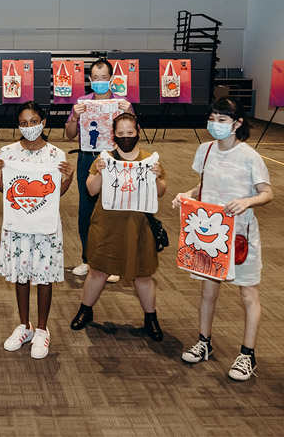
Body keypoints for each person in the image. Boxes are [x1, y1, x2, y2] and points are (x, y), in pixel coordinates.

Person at [174, 97, 273, 381]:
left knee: (248, 294)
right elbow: (203, 185)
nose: (215, 125)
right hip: (210, 236)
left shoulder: (249, 156)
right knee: (208, 291)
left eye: (222, 120)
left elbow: (268, 193)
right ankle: (204, 341)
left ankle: (247, 354)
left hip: (240, 236)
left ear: (237, 124)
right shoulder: (205, 150)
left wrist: (247, 201)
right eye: (213, 118)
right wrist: (188, 195)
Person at [69, 113, 166, 341]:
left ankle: (150, 317)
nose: (125, 138)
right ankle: (86, 310)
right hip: (107, 225)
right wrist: (101, 171)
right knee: (98, 270)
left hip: (138, 226)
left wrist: (158, 177)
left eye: (129, 133)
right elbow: (91, 190)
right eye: (120, 134)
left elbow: (160, 192)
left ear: (138, 132)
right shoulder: (104, 159)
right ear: (113, 135)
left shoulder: (150, 160)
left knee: (143, 274)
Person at [0, 102, 74, 359]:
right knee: (22, 275)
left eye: (34, 121)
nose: (29, 127)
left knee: (44, 276)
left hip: (45, 226)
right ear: (18, 126)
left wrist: (68, 178)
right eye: (23, 123)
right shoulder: (8, 153)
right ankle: (24, 325)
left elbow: (56, 194)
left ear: (44, 122)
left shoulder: (56, 155)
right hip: (18, 225)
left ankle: (42, 329)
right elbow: (8, 190)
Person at [64, 59, 133, 283]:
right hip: (87, 159)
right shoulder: (82, 102)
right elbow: (69, 134)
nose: (100, 82)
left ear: (112, 79)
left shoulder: (122, 104)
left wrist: (129, 111)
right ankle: (87, 258)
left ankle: (111, 263)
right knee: (86, 210)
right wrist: (74, 116)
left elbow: (134, 134)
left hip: (115, 159)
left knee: (113, 210)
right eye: (96, 78)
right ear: (90, 80)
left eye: (105, 78)